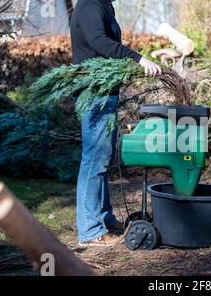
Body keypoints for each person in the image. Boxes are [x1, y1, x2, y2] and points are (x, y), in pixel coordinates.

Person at [70, 0, 161, 247]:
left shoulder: (103, 5)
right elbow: (99, 42)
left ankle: (104, 218)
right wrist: (138, 59)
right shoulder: (90, 5)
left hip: (104, 92)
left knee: (102, 158)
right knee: (94, 159)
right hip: (94, 93)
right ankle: (90, 230)